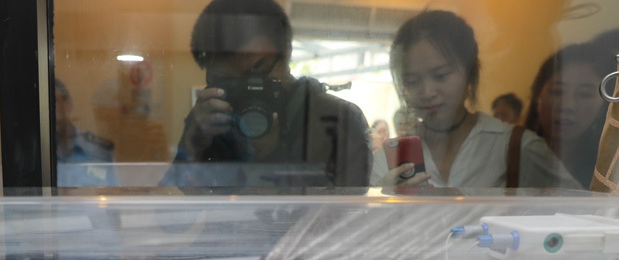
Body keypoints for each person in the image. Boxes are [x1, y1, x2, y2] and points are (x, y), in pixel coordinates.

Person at [162, 0, 372, 188]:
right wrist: (192, 147)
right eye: (227, 80)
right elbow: (172, 223)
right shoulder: (211, 119)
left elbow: (344, 222)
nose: (247, 90)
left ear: (286, 54)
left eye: (257, 71)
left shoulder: (337, 122)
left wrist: (271, 157)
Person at [371, 10, 577, 189]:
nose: (427, 92)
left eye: (441, 75)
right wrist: (380, 199)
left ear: (470, 73)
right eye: (412, 81)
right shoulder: (390, 158)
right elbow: (361, 227)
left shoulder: (514, 145)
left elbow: (581, 210)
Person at [525, 43, 610, 188]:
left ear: (603, 107)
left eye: (584, 94)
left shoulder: (607, 169)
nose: (566, 106)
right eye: (557, 92)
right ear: (537, 96)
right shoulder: (514, 153)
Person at [54, 78, 118, 187]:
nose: (53, 109)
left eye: (55, 100)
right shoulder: (32, 157)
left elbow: (112, 195)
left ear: (68, 103)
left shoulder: (97, 150)